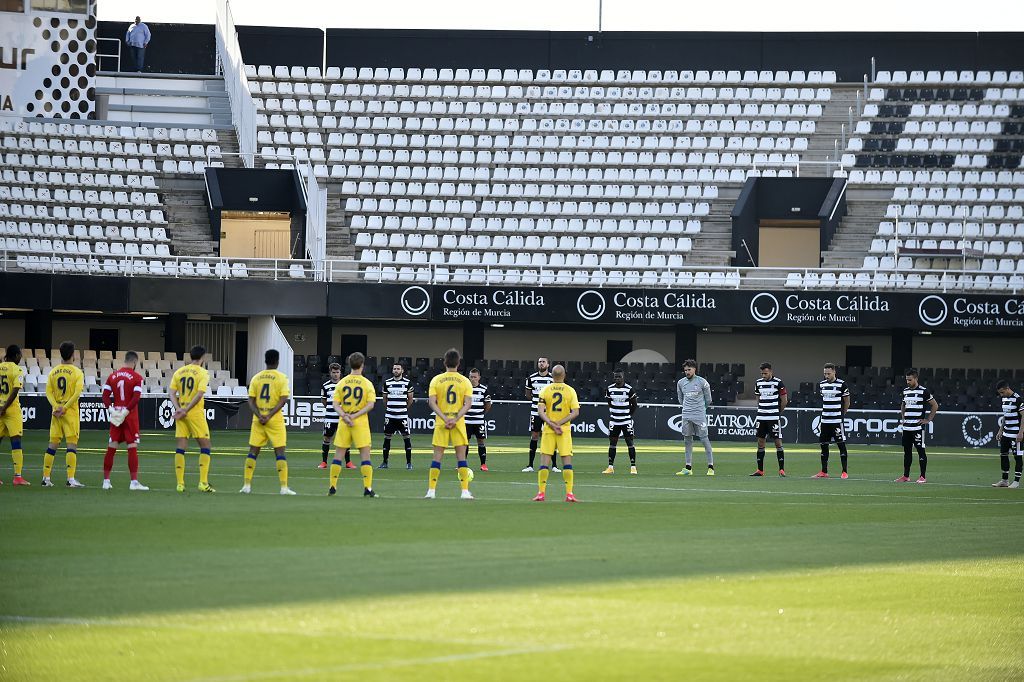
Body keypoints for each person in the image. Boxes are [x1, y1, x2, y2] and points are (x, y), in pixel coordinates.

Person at [241, 349, 295, 495]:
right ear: (277, 361)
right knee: (280, 452)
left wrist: (260, 415)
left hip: (258, 420)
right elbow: (283, 400)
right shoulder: (281, 378)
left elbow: (250, 400)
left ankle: (246, 485)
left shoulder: (256, 378)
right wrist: (269, 415)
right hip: (275, 419)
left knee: (253, 451)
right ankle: (284, 488)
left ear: (265, 360)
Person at [424, 348, 474, 500]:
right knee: (461, 458)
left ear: (445, 362)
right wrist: (456, 418)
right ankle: (464, 491)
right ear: (458, 363)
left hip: (441, 422)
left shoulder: (436, 380)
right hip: (458, 423)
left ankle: (431, 491)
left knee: (437, 457)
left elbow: (432, 402)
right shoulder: (465, 381)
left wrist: (445, 418)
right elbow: (468, 404)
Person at [329, 352, 377, 497]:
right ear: (362, 365)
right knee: (365, 456)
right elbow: (370, 405)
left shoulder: (342, 382)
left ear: (349, 364)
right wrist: (355, 416)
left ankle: (332, 486)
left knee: (338, 455)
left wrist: (344, 415)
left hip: (345, 421)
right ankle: (367, 488)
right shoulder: (367, 383)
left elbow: (335, 404)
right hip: (360, 421)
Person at [169, 345, 215, 493]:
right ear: (203, 358)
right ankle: (203, 483)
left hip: (181, 412)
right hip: (194, 413)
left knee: (181, 446)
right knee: (206, 446)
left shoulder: (179, 371)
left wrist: (179, 409)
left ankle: (180, 484)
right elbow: (200, 394)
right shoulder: (203, 372)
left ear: (190, 356)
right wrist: (186, 410)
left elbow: (171, 392)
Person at [101, 351, 148, 491]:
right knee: (132, 447)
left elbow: (104, 396)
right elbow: (136, 397)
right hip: (130, 416)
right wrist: (126, 412)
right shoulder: (136, 377)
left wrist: (111, 410)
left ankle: (106, 481)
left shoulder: (113, 376)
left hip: (116, 414)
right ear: (134, 362)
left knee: (112, 446)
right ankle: (133, 482)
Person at [534, 365, 580, 502]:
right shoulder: (570, 391)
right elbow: (576, 412)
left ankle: (541, 493)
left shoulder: (545, 390)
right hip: (564, 430)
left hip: (549, 430)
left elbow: (540, 411)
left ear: (552, 376)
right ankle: (569, 494)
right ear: (564, 375)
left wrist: (551, 423)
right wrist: (560, 424)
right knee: (567, 462)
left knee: (544, 462)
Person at [43, 341, 84, 488]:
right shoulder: (77, 372)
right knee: (71, 445)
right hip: (70, 412)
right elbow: (77, 393)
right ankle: (70, 479)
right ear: (73, 355)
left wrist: (56, 406)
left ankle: (46, 478)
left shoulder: (53, 371)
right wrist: (65, 408)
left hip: (56, 413)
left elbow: (48, 391)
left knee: (52, 445)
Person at [896, 368, 937, 484]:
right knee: (907, 452)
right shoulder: (905, 391)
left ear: (916, 379)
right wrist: (903, 417)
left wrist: (928, 419)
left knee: (921, 451)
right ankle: (906, 476)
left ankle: (922, 476)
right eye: (906, 380)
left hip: (918, 428)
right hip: (907, 427)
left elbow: (935, 405)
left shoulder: (924, 391)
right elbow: (903, 405)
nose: (908, 382)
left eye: (910, 380)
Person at [675, 360, 714, 476]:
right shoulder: (681, 383)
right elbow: (680, 399)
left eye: (689, 370)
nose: (687, 372)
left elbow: (708, 400)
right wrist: (687, 408)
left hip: (699, 415)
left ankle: (710, 467)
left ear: (694, 369)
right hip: (686, 415)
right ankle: (688, 468)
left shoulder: (702, 382)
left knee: (704, 439)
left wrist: (701, 409)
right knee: (687, 440)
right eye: (685, 370)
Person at [814, 362, 851, 479]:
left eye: (829, 373)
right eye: (825, 374)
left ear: (834, 372)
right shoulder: (822, 384)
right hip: (825, 420)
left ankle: (844, 471)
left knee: (841, 445)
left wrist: (841, 415)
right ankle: (824, 471)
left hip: (836, 421)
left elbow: (847, 402)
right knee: (824, 445)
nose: (826, 376)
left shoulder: (842, 384)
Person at [751, 362, 787, 477]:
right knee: (760, 442)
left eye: (765, 373)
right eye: (762, 373)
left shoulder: (778, 382)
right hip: (761, 417)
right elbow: (758, 399)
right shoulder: (758, 383)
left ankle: (781, 469)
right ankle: (760, 470)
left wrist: (777, 412)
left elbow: (784, 400)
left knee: (777, 442)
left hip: (773, 417)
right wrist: (761, 409)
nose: (763, 375)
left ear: (771, 372)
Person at [523, 356, 557, 473]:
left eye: (543, 362)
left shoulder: (553, 378)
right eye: (539, 362)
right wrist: (538, 403)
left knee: (551, 436)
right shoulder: (531, 378)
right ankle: (530, 465)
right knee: (534, 436)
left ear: (548, 365)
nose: (541, 364)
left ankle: (554, 466)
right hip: (535, 412)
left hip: (549, 414)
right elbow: (528, 395)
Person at [0, 344, 27, 486]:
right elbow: (16, 389)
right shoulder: (17, 369)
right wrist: (5, 407)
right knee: (16, 441)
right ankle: (17, 477)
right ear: (16, 356)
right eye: (20, 355)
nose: (20, 357)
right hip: (11, 410)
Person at [602, 370, 639, 475]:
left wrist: (628, 415)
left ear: (623, 377)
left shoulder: (629, 389)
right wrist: (615, 413)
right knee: (612, 444)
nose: (617, 379)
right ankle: (610, 467)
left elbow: (634, 405)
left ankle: (633, 467)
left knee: (630, 443)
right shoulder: (609, 389)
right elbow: (609, 403)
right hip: (614, 421)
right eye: (615, 377)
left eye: (619, 377)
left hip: (626, 421)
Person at [380, 362, 414, 469]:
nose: (396, 370)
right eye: (394, 369)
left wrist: (403, 409)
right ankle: (385, 462)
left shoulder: (408, 383)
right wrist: (390, 408)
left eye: (398, 369)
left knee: (406, 438)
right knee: (387, 438)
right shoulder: (387, 383)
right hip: (390, 415)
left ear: (402, 371)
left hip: (402, 416)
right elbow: (384, 399)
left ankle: (409, 463)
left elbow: (410, 399)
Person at [993, 379, 1023, 488]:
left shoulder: (1018, 399)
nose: (1001, 395)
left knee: (1017, 457)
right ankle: (1004, 480)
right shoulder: (1004, 399)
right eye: (1000, 393)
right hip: (1006, 433)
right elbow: (1006, 415)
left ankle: (1016, 481)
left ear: (1007, 388)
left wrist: (1021, 432)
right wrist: (1000, 430)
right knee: (1003, 455)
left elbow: (1023, 415)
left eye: (1002, 392)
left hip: (1016, 434)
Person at [319, 363, 349, 470]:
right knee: (327, 438)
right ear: (330, 373)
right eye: (333, 372)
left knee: (345, 439)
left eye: (337, 372)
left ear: (340, 372)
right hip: (330, 417)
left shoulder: (345, 385)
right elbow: (324, 401)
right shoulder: (326, 385)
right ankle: (324, 462)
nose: (335, 374)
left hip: (342, 417)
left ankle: (348, 462)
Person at [465, 368, 492, 471]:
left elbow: (488, 404)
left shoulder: (484, 390)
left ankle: (483, 464)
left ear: (479, 377)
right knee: (464, 443)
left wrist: (482, 413)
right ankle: (463, 464)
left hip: (479, 421)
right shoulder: (465, 389)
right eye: (471, 377)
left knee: (481, 442)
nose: (473, 379)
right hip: (466, 420)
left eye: (475, 377)